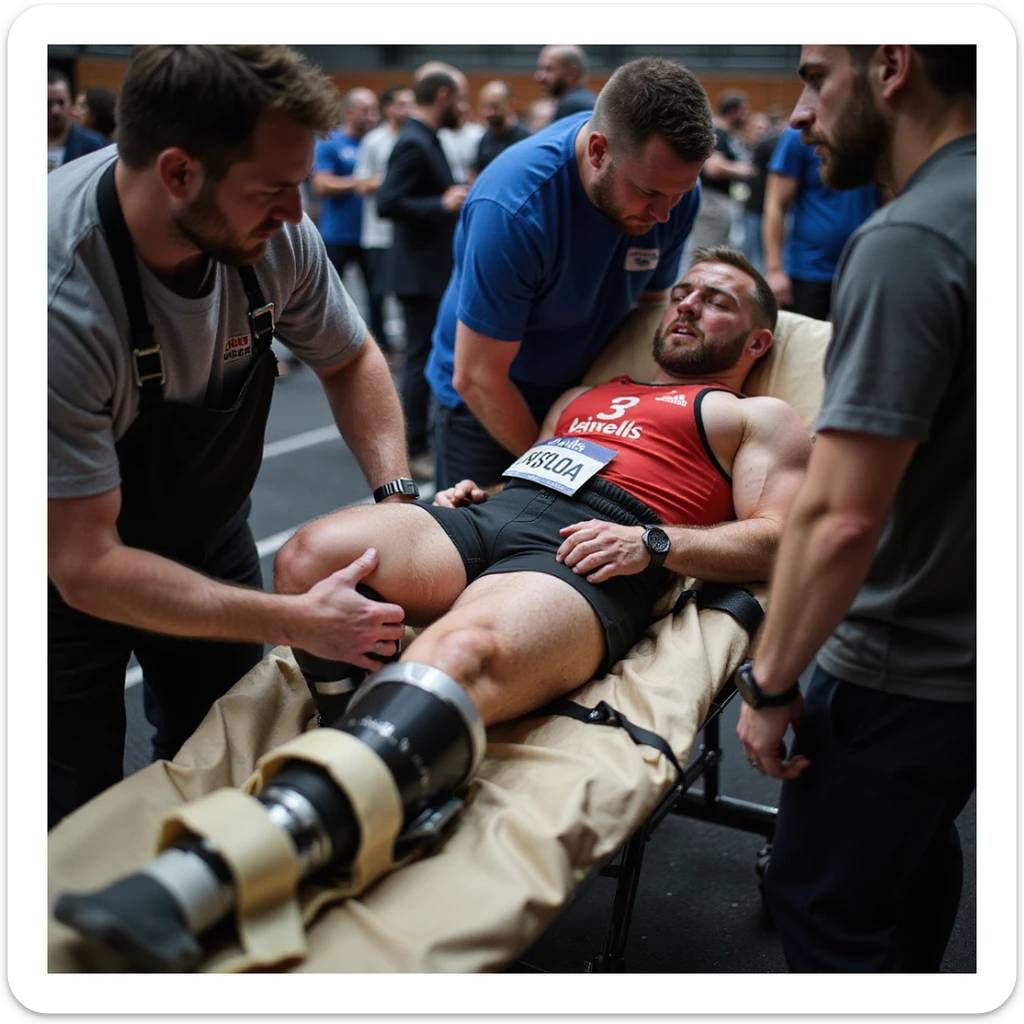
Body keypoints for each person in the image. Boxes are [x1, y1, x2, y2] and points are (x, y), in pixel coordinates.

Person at [47, 45, 416, 830]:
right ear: (177, 173)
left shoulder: (271, 230)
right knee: (71, 801)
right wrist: (294, 620)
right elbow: (85, 565)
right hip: (59, 566)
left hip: (206, 528)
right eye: (272, 190)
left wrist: (398, 499)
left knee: (221, 757)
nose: (295, 212)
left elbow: (351, 359)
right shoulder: (57, 301)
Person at [276, 247, 811, 728]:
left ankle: (361, 762)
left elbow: (780, 540)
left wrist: (651, 543)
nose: (688, 306)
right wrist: (478, 492)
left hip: (592, 552)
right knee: (307, 558)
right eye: (681, 294)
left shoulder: (757, 415)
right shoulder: (584, 394)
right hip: (499, 512)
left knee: (455, 654)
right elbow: (540, 472)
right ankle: (351, 728)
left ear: (758, 340)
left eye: (715, 301)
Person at [736, 44, 976, 973]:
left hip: (900, 662)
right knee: (911, 861)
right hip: (965, 658)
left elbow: (839, 517)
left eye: (813, 77)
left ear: (891, 66)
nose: (797, 112)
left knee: (826, 910)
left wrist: (770, 681)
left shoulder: (911, 238)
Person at [424, 56, 716, 491]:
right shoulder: (515, 208)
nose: (663, 214)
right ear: (598, 151)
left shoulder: (670, 193)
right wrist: (554, 467)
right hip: (487, 400)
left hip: (579, 389)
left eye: (679, 193)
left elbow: (649, 307)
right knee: (479, 547)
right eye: (648, 193)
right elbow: (478, 377)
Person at [377, 62, 471, 483]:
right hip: (418, 274)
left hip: (429, 271)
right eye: (462, 98)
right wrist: (442, 203)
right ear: (443, 97)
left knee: (425, 357)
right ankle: (413, 449)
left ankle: (422, 441)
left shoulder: (426, 138)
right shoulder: (413, 141)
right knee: (419, 360)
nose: (465, 108)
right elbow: (388, 202)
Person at [762, 125, 878, 320]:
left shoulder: (872, 132)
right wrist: (774, 270)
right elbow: (775, 204)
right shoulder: (800, 136)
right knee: (803, 345)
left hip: (862, 269)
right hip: (808, 270)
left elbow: (889, 201)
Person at [311, 88, 381, 345]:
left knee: (377, 295)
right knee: (324, 297)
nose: (372, 116)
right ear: (350, 112)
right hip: (337, 234)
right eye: (366, 111)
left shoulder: (376, 142)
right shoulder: (331, 143)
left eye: (375, 110)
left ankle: (377, 344)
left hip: (369, 235)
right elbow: (322, 184)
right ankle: (314, 344)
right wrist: (362, 182)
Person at [353, 84, 416, 362]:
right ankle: (381, 350)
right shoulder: (374, 141)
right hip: (377, 234)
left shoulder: (417, 139)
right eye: (402, 104)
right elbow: (361, 184)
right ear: (388, 108)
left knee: (407, 291)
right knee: (377, 294)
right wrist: (393, 183)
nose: (409, 110)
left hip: (407, 232)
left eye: (411, 104)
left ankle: (409, 345)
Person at [685, 90, 759, 253]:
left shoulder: (726, 134)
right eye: (744, 111)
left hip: (721, 201)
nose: (747, 116)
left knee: (715, 252)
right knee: (706, 254)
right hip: (712, 201)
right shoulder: (715, 132)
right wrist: (744, 169)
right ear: (734, 112)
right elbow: (714, 168)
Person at [48, 68, 111, 172]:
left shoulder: (92, 145)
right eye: (48, 104)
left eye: (60, 103)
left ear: (70, 102)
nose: (55, 110)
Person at [474, 80, 531, 177]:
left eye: (495, 106)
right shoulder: (484, 139)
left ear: (510, 105)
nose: (489, 112)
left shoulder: (525, 139)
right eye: (485, 106)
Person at [535, 45, 598, 122]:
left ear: (572, 73)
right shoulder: (587, 100)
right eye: (540, 69)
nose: (539, 77)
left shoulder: (573, 105)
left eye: (549, 69)